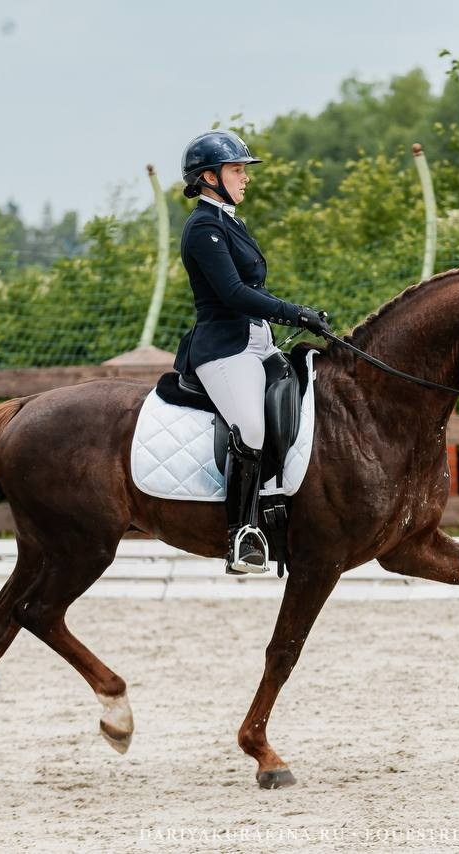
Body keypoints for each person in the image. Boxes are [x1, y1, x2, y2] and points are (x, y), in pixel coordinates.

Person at [174, 130, 331, 575]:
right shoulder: (204, 226)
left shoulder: (229, 220)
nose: (245, 178)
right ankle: (241, 534)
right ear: (209, 177)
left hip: (257, 344)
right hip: (226, 350)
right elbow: (233, 292)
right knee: (251, 428)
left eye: (244, 170)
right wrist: (295, 313)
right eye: (237, 170)